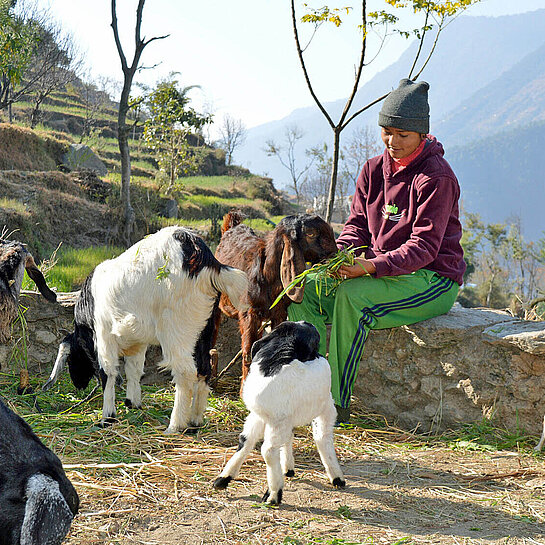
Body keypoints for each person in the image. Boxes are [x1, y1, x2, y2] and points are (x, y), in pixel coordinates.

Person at [288, 78, 466, 424]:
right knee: (305, 291)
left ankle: (333, 402)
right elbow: (356, 226)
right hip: (381, 271)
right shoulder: (373, 170)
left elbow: (424, 248)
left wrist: (369, 267)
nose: (392, 141)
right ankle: (299, 385)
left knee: (354, 298)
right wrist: (339, 257)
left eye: (403, 135)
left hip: (431, 279)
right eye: (387, 131)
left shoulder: (435, 178)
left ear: (422, 135)